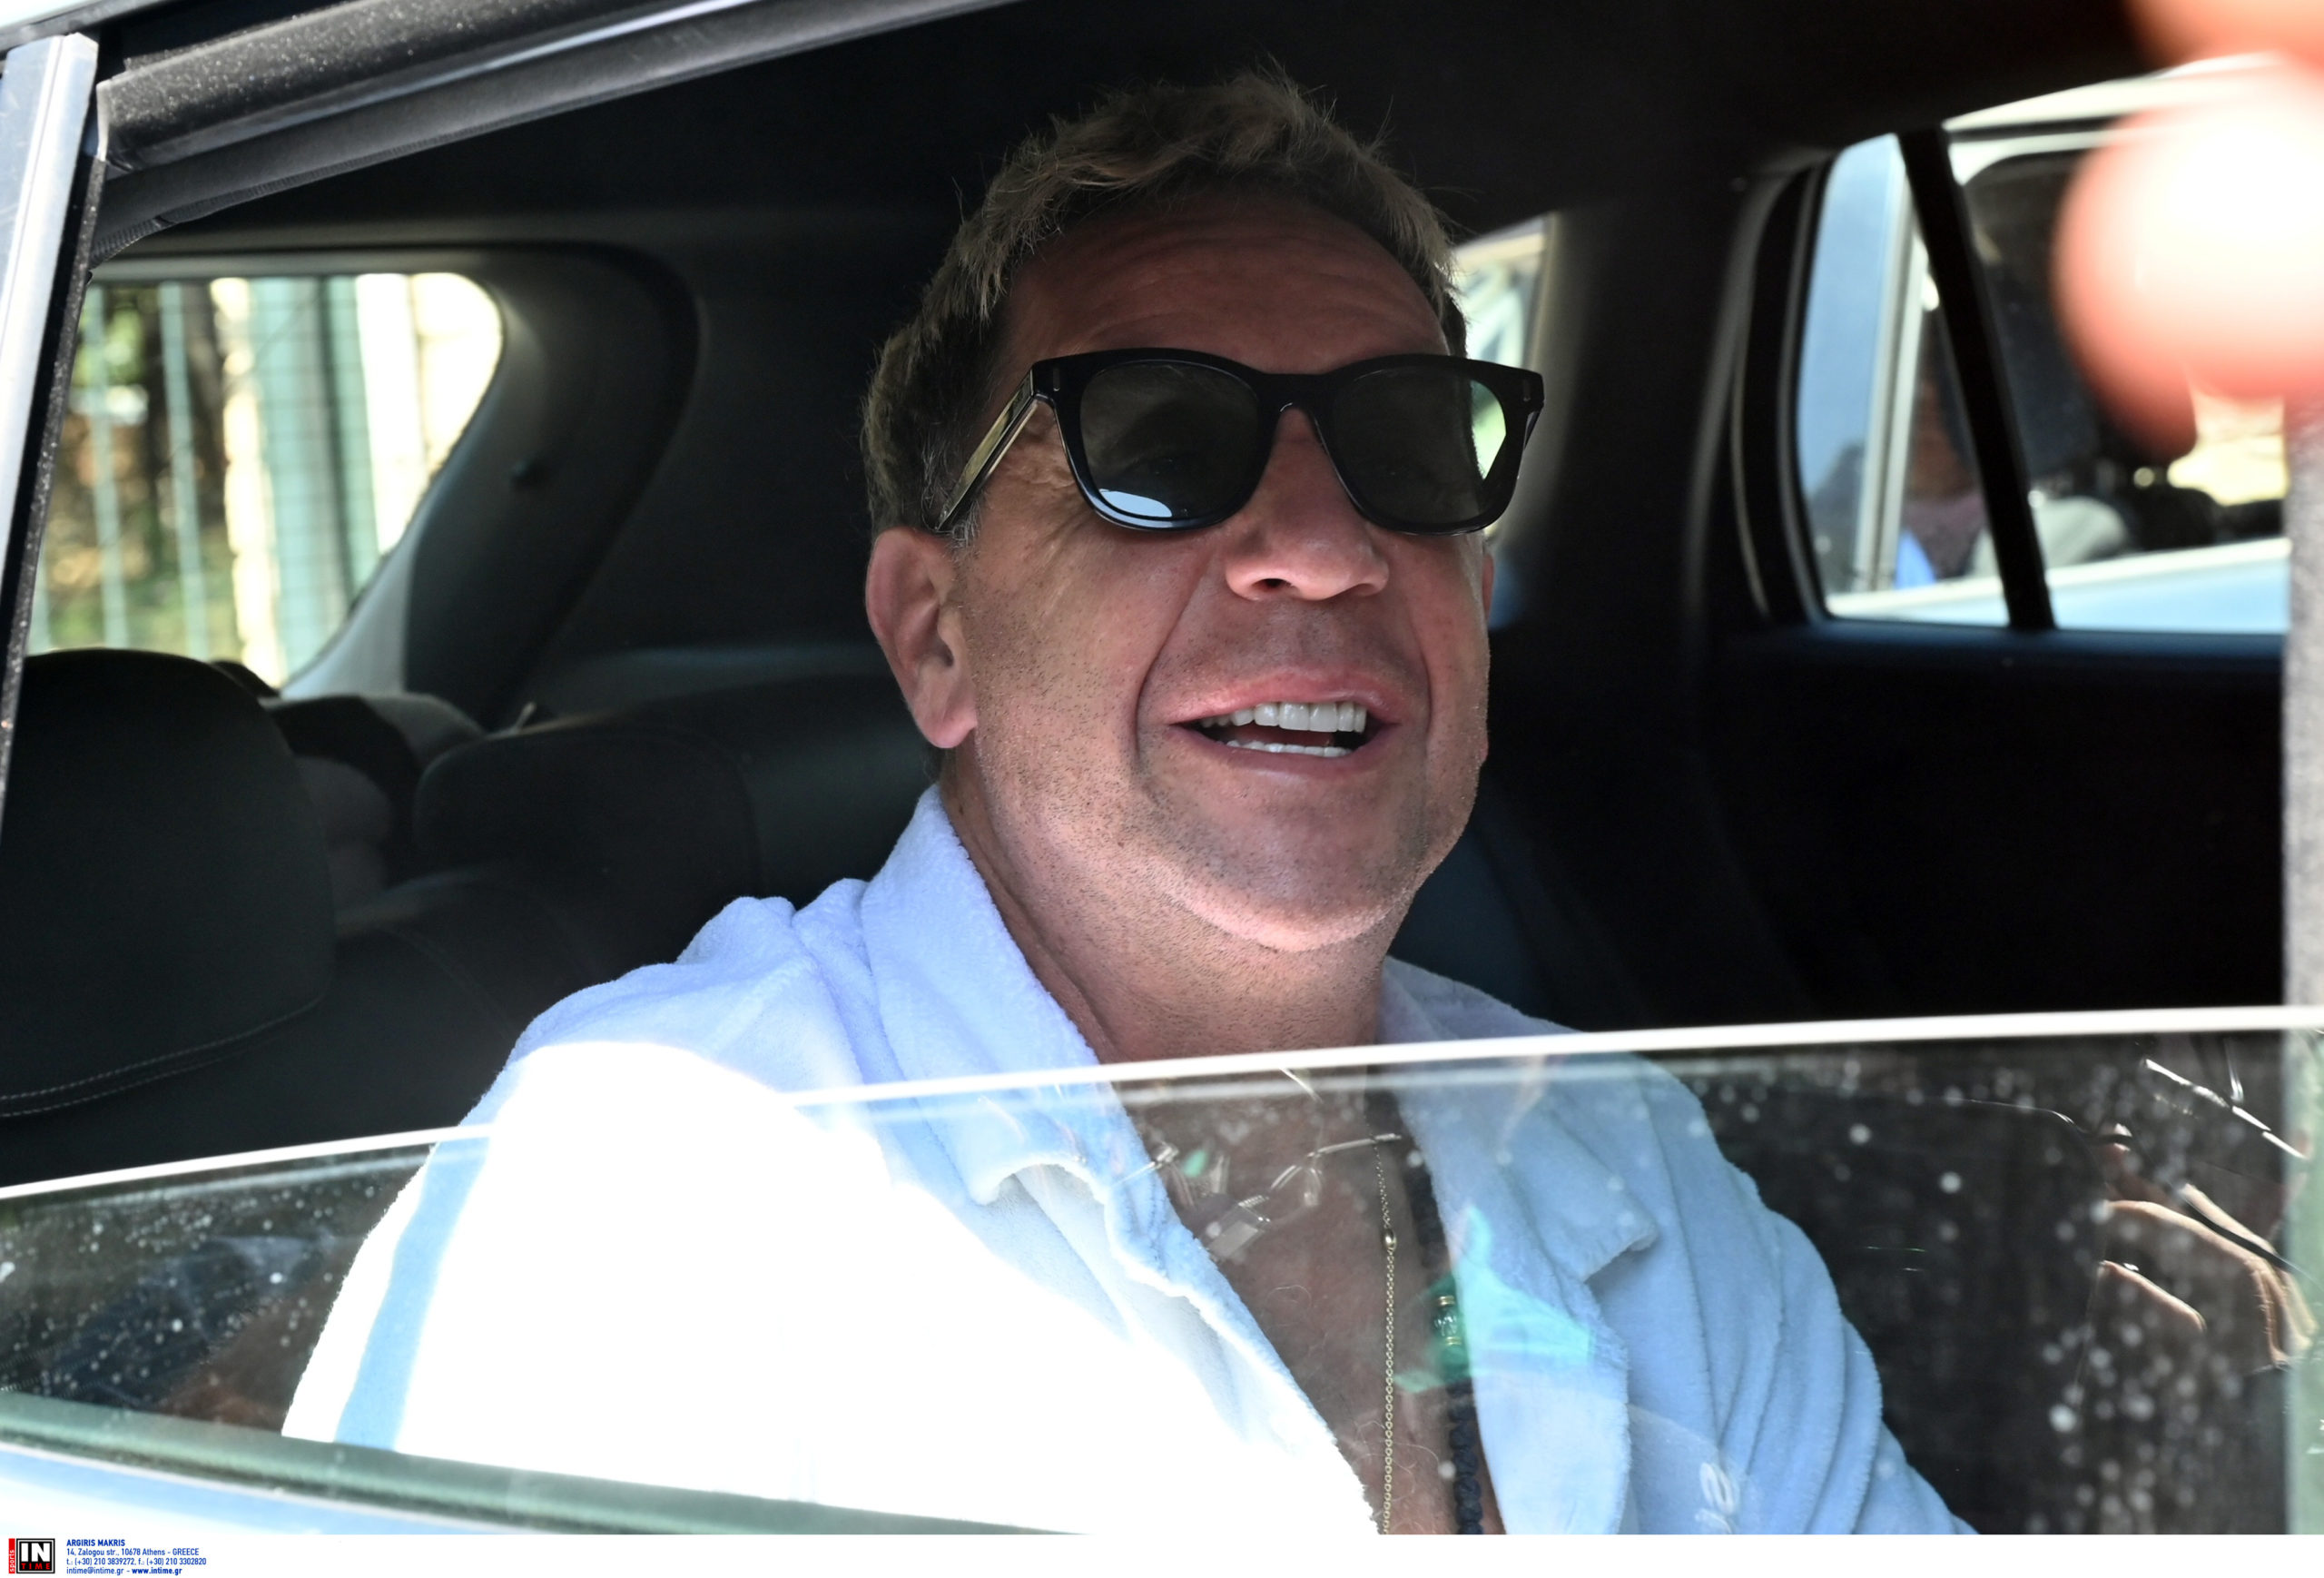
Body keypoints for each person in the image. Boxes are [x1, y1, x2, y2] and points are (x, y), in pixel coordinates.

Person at [281, 72, 1965, 1534]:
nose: (1324, 546)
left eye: (1406, 445)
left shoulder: (1618, 1153)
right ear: (937, 639)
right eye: (1157, 446)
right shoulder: (658, 1194)